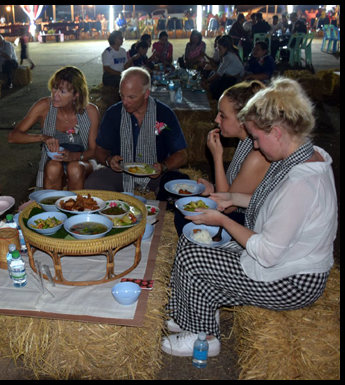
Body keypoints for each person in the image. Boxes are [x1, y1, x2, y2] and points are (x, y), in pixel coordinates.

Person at [162, 78, 337, 358]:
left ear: (277, 133)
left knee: (193, 258)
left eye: (256, 138)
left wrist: (223, 220)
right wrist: (231, 198)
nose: (255, 145)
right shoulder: (304, 156)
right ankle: (195, 315)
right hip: (284, 260)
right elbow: (272, 204)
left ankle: (203, 338)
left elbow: (267, 253)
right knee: (192, 241)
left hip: (292, 280)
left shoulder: (302, 184)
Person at [175, 80, 270, 234]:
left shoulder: (257, 154)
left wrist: (217, 157)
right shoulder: (245, 142)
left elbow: (229, 208)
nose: (216, 120)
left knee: (184, 218)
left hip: (249, 224)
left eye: (223, 116)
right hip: (233, 208)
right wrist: (212, 188)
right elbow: (232, 191)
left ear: (242, 120)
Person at [85, 67, 189, 199]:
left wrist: (163, 166)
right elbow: (100, 149)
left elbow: (182, 154)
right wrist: (109, 160)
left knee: (180, 187)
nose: (124, 102)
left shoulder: (164, 114)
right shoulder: (114, 113)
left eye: (131, 97)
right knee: (93, 182)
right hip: (121, 172)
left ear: (146, 93)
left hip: (155, 174)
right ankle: (118, 206)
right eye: (122, 95)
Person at [9, 66, 99, 190]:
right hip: (54, 162)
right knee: (53, 167)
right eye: (55, 88)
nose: (55, 95)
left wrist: (75, 156)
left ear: (76, 95)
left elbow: (94, 150)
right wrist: (42, 137)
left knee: (74, 168)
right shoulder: (44, 106)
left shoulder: (90, 111)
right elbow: (13, 137)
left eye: (62, 92)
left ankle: (75, 207)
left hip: (83, 161)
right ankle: (53, 205)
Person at [203, 36, 244, 100]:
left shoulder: (228, 56)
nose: (218, 50)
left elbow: (219, 72)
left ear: (226, 47)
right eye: (218, 48)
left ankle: (217, 98)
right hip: (229, 74)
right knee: (213, 74)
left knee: (217, 82)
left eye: (220, 48)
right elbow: (220, 69)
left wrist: (207, 81)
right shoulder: (226, 54)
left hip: (234, 77)